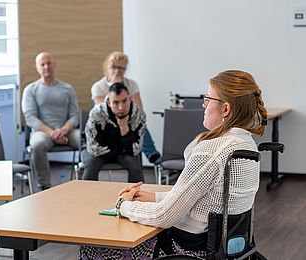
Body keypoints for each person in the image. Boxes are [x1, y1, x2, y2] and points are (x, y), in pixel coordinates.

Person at [79, 70, 268, 259]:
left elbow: (164, 216)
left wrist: (123, 205)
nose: (204, 105)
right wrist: (153, 196)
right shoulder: (247, 145)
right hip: (223, 250)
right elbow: (204, 199)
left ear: (225, 109)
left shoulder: (211, 150)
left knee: (92, 247)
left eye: (208, 99)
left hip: (188, 251)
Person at [22, 52, 80, 190]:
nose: (46, 66)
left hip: (67, 130)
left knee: (86, 140)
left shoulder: (67, 88)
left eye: (49, 63)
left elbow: (75, 115)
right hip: (42, 132)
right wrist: (52, 133)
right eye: (42, 64)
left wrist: (63, 130)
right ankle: (45, 186)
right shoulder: (30, 90)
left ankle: (85, 180)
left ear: (54, 65)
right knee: (37, 145)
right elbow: (30, 118)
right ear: (36, 67)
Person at [91, 51, 161, 164]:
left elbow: (139, 110)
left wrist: (123, 90)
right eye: (114, 67)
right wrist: (113, 88)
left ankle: (153, 156)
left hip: (127, 121)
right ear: (107, 67)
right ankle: (154, 157)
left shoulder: (131, 85)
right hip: (107, 126)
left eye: (121, 68)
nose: (117, 71)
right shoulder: (98, 87)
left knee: (139, 124)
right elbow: (101, 111)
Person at [82, 82, 146, 183]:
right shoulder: (97, 114)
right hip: (97, 152)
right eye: (116, 103)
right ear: (108, 102)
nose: (121, 107)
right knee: (91, 163)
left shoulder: (138, 115)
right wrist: (121, 148)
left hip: (123, 152)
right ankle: (87, 196)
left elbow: (136, 149)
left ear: (130, 98)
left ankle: (136, 196)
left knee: (135, 164)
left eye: (124, 101)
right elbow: (93, 148)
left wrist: (124, 128)